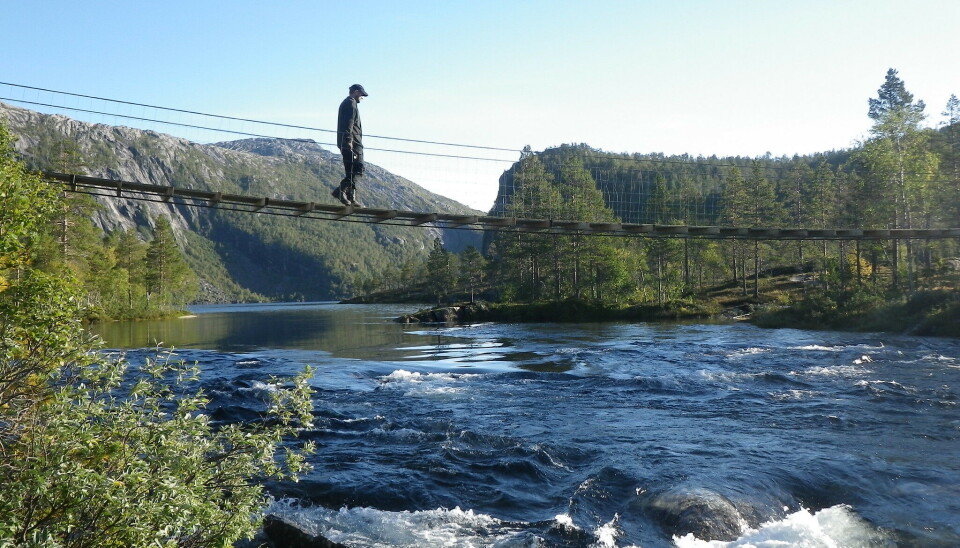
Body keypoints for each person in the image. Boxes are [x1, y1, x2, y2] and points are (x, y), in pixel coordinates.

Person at [332, 83, 368, 207]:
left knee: (351, 171)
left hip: (345, 142)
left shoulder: (346, 103)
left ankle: (351, 197)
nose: (362, 98)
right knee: (359, 168)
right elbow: (349, 124)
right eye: (362, 95)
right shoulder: (350, 103)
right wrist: (349, 143)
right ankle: (340, 191)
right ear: (356, 92)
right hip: (353, 143)